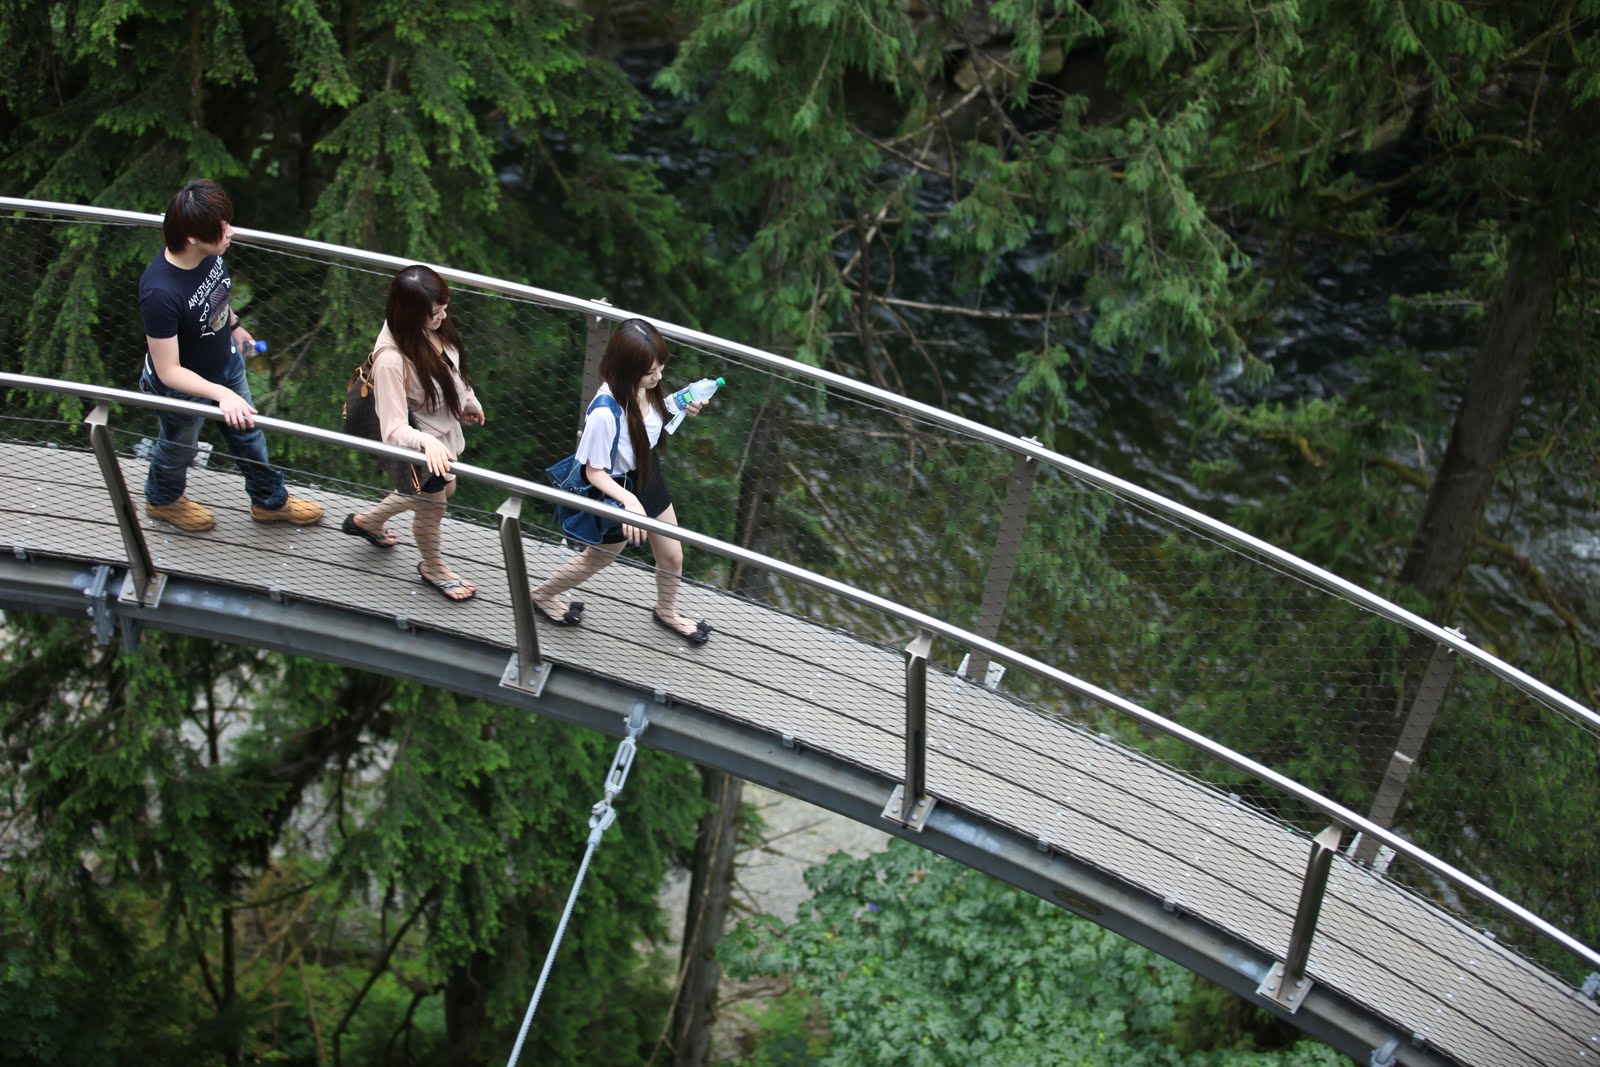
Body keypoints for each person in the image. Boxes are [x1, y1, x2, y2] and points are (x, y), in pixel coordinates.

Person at [138, 179, 323, 531]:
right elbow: (168, 370)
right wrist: (222, 395)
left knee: (249, 436)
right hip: (183, 388)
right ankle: (163, 501)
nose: (230, 232)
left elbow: (217, 297)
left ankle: (270, 502)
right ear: (192, 237)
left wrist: (234, 328)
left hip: (226, 364)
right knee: (180, 448)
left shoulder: (209, 256)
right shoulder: (160, 293)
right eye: (220, 228)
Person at [531, 318, 713, 645]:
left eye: (660, 368)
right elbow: (593, 472)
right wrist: (629, 503)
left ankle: (667, 612)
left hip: (646, 473)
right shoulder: (604, 413)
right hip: (616, 489)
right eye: (650, 372)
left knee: (672, 555)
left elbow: (646, 424)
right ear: (628, 369)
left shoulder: (647, 388)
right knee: (599, 557)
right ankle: (542, 594)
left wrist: (680, 404)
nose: (658, 377)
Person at [340, 265, 485, 602]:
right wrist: (426, 443)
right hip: (420, 442)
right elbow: (392, 429)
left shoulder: (430, 324)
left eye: (444, 308)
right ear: (410, 313)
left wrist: (469, 400)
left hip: (440, 434)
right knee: (434, 506)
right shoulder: (392, 360)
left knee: (444, 489)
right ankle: (433, 567)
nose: (443, 316)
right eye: (435, 312)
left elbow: (450, 368)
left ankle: (367, 522)